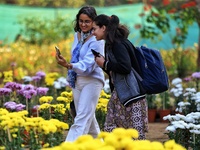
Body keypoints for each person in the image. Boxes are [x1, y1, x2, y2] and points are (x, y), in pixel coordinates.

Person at [92, 14, 148, 139]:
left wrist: (106, 63)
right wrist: (104, 64)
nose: (93, 32)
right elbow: (115, 71)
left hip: (132, 95)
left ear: (103, 28)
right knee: (112, 128)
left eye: (94, 29)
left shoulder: (118, 44)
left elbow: (125, 67)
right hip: (122, 94)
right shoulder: (111, 44)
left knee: (135, 136)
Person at [56, 6, 105, 142]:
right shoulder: (76, 36)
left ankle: (70, 146)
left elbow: (88, 65)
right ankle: (101, 146)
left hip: (92, 81)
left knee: (81, 119)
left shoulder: (97, 40)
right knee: (90, 122)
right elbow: (76, 57)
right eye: (81, 21)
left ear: (93, 22)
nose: (83, 24)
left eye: (87, 21)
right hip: (77, 80)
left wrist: (68, 65)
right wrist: (69, 64)